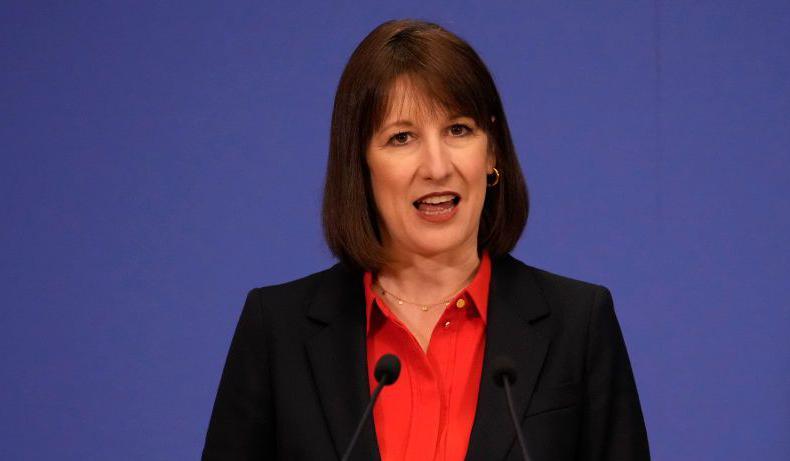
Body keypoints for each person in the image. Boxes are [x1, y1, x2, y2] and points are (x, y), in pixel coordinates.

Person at [202, 19, 650, 461]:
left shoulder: (579, 325)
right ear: (360, 165)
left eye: (458, 130)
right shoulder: (277, 331)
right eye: (402, 138)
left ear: (491, 149)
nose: (436, 167)